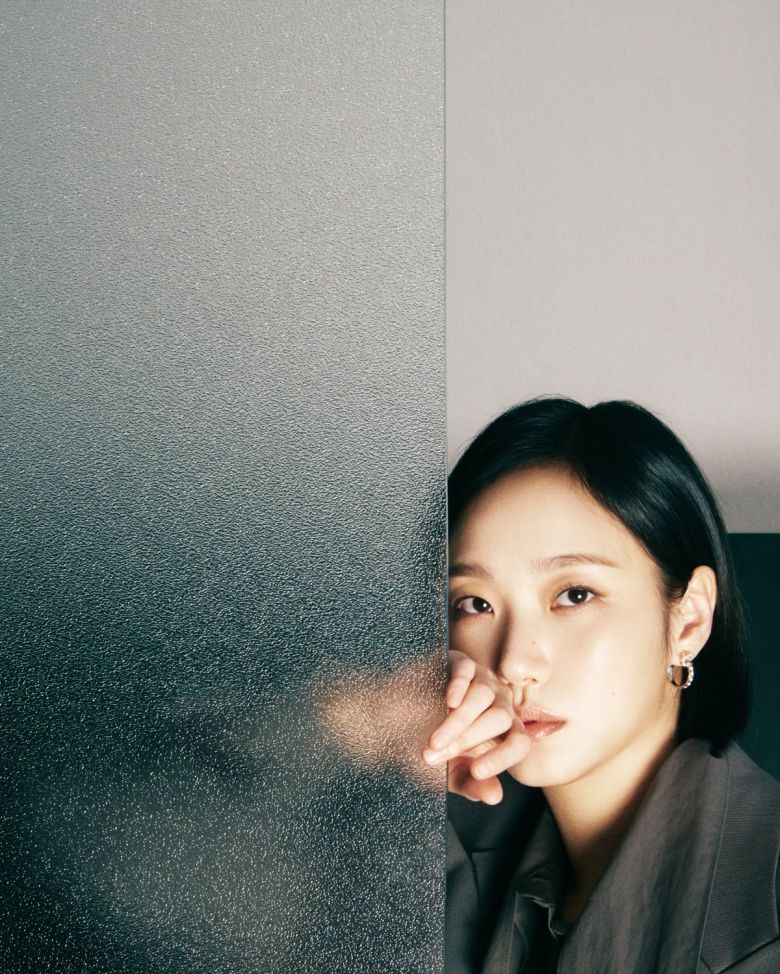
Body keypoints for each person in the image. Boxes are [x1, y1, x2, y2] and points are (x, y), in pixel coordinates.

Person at [422, 397, 780, 974]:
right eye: (476, 603)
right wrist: (360, 721)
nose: (513, 662)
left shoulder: (763, 912)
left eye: (575, 595)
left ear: (688, 620)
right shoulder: (444, 836)